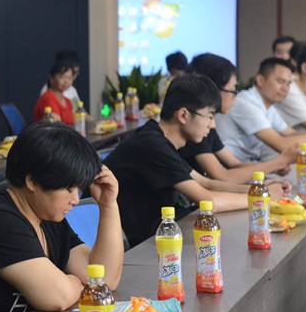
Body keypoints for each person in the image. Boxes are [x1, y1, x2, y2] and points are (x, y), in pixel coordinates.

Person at [0, 123, 124, 312]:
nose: (75, 199)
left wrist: (109, 206)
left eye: (78, 188)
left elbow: (103, 279)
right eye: (68, 188)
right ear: (32, 181)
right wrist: (76, 283)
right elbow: (57, 297)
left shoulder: (47, 217)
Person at [104, 74, 288, 246]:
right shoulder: (152, 144)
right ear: (183, 115)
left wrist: (260, 188)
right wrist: (263, 198)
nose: (212, 125)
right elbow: (208, 201)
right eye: (209, 116)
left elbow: (206, 183)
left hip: (156, 235)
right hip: (137, 246)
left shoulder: (161, 139)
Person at [182, 53, 298, 182]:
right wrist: (279, 162)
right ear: (212, 90)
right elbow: (222, 177)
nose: (235, 96)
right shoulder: (194, 126)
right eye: (232, 90)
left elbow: (234, 164)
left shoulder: (208, 125)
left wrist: (271, 170)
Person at [215, 58, 306, 163]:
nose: (285, 89)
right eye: (280, 81)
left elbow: (290, 134)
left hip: (250, 164)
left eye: (288, 84)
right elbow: (281, 144)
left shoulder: (268, 106)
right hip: (231, 166)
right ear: (260, 80)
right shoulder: (246, 103)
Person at [32, 60, 76, 125]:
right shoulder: (48, 98)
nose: (66, 81)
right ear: (51, 79)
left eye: (69, 78)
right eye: (62, 77)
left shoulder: (68, 101)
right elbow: (56, 126)